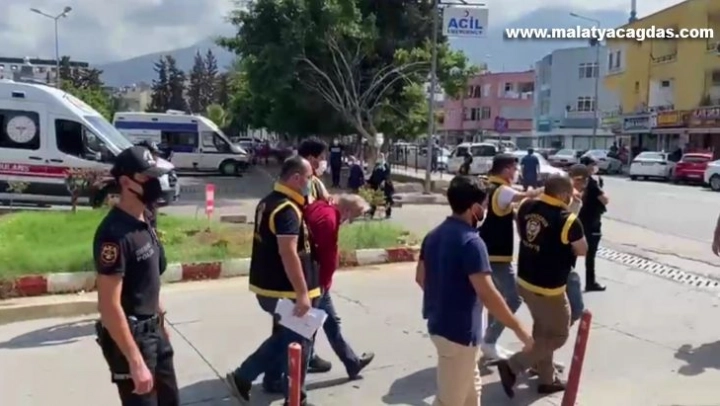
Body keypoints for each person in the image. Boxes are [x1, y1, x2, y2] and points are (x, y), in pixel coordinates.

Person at [415, 175, 533, 406]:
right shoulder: (471, 242)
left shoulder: (433, 235)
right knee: (449, 402)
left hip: (441, 326)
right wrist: (520, 330)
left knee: (471, 393)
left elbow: (421, 278)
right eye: (485, 205)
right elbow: (488, 294)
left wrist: (445, 297)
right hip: (459, 335)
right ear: (475, 208)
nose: (486, 210)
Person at [225, 156, 321, 406]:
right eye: (309, 177)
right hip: (283, 290)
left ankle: (273, 381)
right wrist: (302, 293)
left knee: (288, 335)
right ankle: (248, 378)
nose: (311, 182)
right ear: (296, 178)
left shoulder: (270, 201)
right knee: (297, 338)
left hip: (271, 287)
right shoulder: (286, 209)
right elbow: (288, 252)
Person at [93, 146, 178, 406]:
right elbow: (108, 306)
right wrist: (135, 361)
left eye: (156, 175)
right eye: (147, 177)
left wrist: (161, 322)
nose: (155, 182)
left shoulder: (146, 218)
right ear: (126, 182)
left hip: (155, 334)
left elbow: (147, 282)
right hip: (132, 340)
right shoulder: (114, 235)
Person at [496, 175, 588, 397]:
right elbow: (582, 250)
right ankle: (514, 365)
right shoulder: (567, 220)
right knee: (558, 335)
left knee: (543, 331)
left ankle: (546, 378)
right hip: (550, 289)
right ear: (564, 195)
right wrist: (573, 214)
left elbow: (523, 233)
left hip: (525, 281)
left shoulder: (526, 206)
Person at [304, 193, 375, 378]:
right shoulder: (328, 219)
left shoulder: (323, 208)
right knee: (305, 329)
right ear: (347, 210)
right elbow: (324, 255)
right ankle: (282, 374)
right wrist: (322, 283)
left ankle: (351, 363)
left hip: (318, 282)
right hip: (317, 282)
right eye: (353, 216)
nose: (350, 221)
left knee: (330, 323)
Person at [479, 154, 542, 361]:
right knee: (514, 298)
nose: (516, 173)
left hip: (487, 250)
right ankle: (489, 340)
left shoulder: (489, 186)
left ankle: (489, 342)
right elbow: (523, 195)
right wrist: (546, 190)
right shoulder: (503, 190)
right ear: (506, 169)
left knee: (495, 297)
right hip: (497, 255)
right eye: (514, 169)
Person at [578, 156, 609, 292]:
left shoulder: (577, 181)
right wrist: (601, 188)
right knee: (590, 253)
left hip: (578, 219)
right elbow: (604, 200)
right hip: (591, 220)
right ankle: (590, 282)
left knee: (572, 251)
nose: (595, 167)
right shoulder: (591, 182)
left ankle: (565, 281)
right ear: (587, 166)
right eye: (593, 164)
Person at [298, 137, 330, 205]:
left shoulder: (314, 180)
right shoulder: (302, 182)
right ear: (310, 159)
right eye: (322, 157)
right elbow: (309, 206)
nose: (324, 161)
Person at [367, 153, 393, 219]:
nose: (380, 158)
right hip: (375, 185)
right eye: (379, 156)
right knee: (374, 199)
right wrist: (369, 181)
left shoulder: (385, 165)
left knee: (386, 200)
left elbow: (387, 175)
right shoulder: (376, 166)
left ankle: (388, 213)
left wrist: (384, 181)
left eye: (381, 156)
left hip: (384, 186)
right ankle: (371, 213)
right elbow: (373, 175)